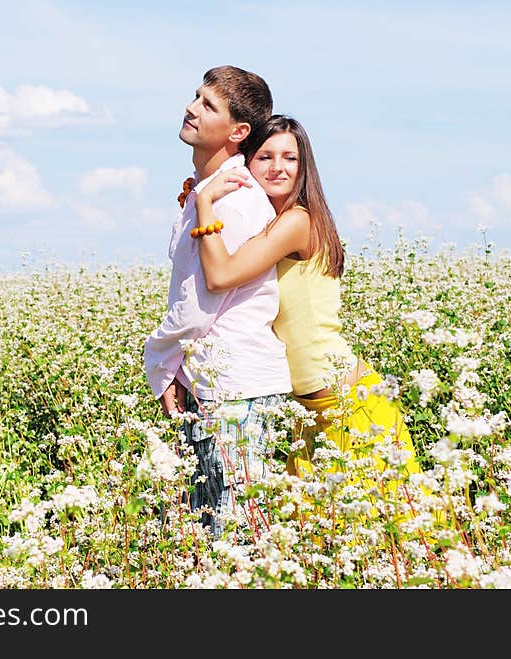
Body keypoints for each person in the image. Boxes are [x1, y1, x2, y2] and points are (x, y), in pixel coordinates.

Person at [192, 114, 428, 528]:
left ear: (305, 168)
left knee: (388, 532)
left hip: (351, 406)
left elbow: (220, 275)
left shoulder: (297, 221)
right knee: (319, 538)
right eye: (264, 156)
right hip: (311, 409)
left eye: (290, 158)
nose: (277, 168)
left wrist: (204, 204)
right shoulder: (269, 224)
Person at [143, 66, 291, 540]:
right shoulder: (208, 194)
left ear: (238, 132)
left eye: (209, 105)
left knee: (237, 539)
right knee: (212, 535)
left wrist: (159, 361)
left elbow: (199, 303)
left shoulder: (231, 200)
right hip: (214, 385)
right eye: (195, 97)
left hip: (238, 391)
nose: (191, 108)